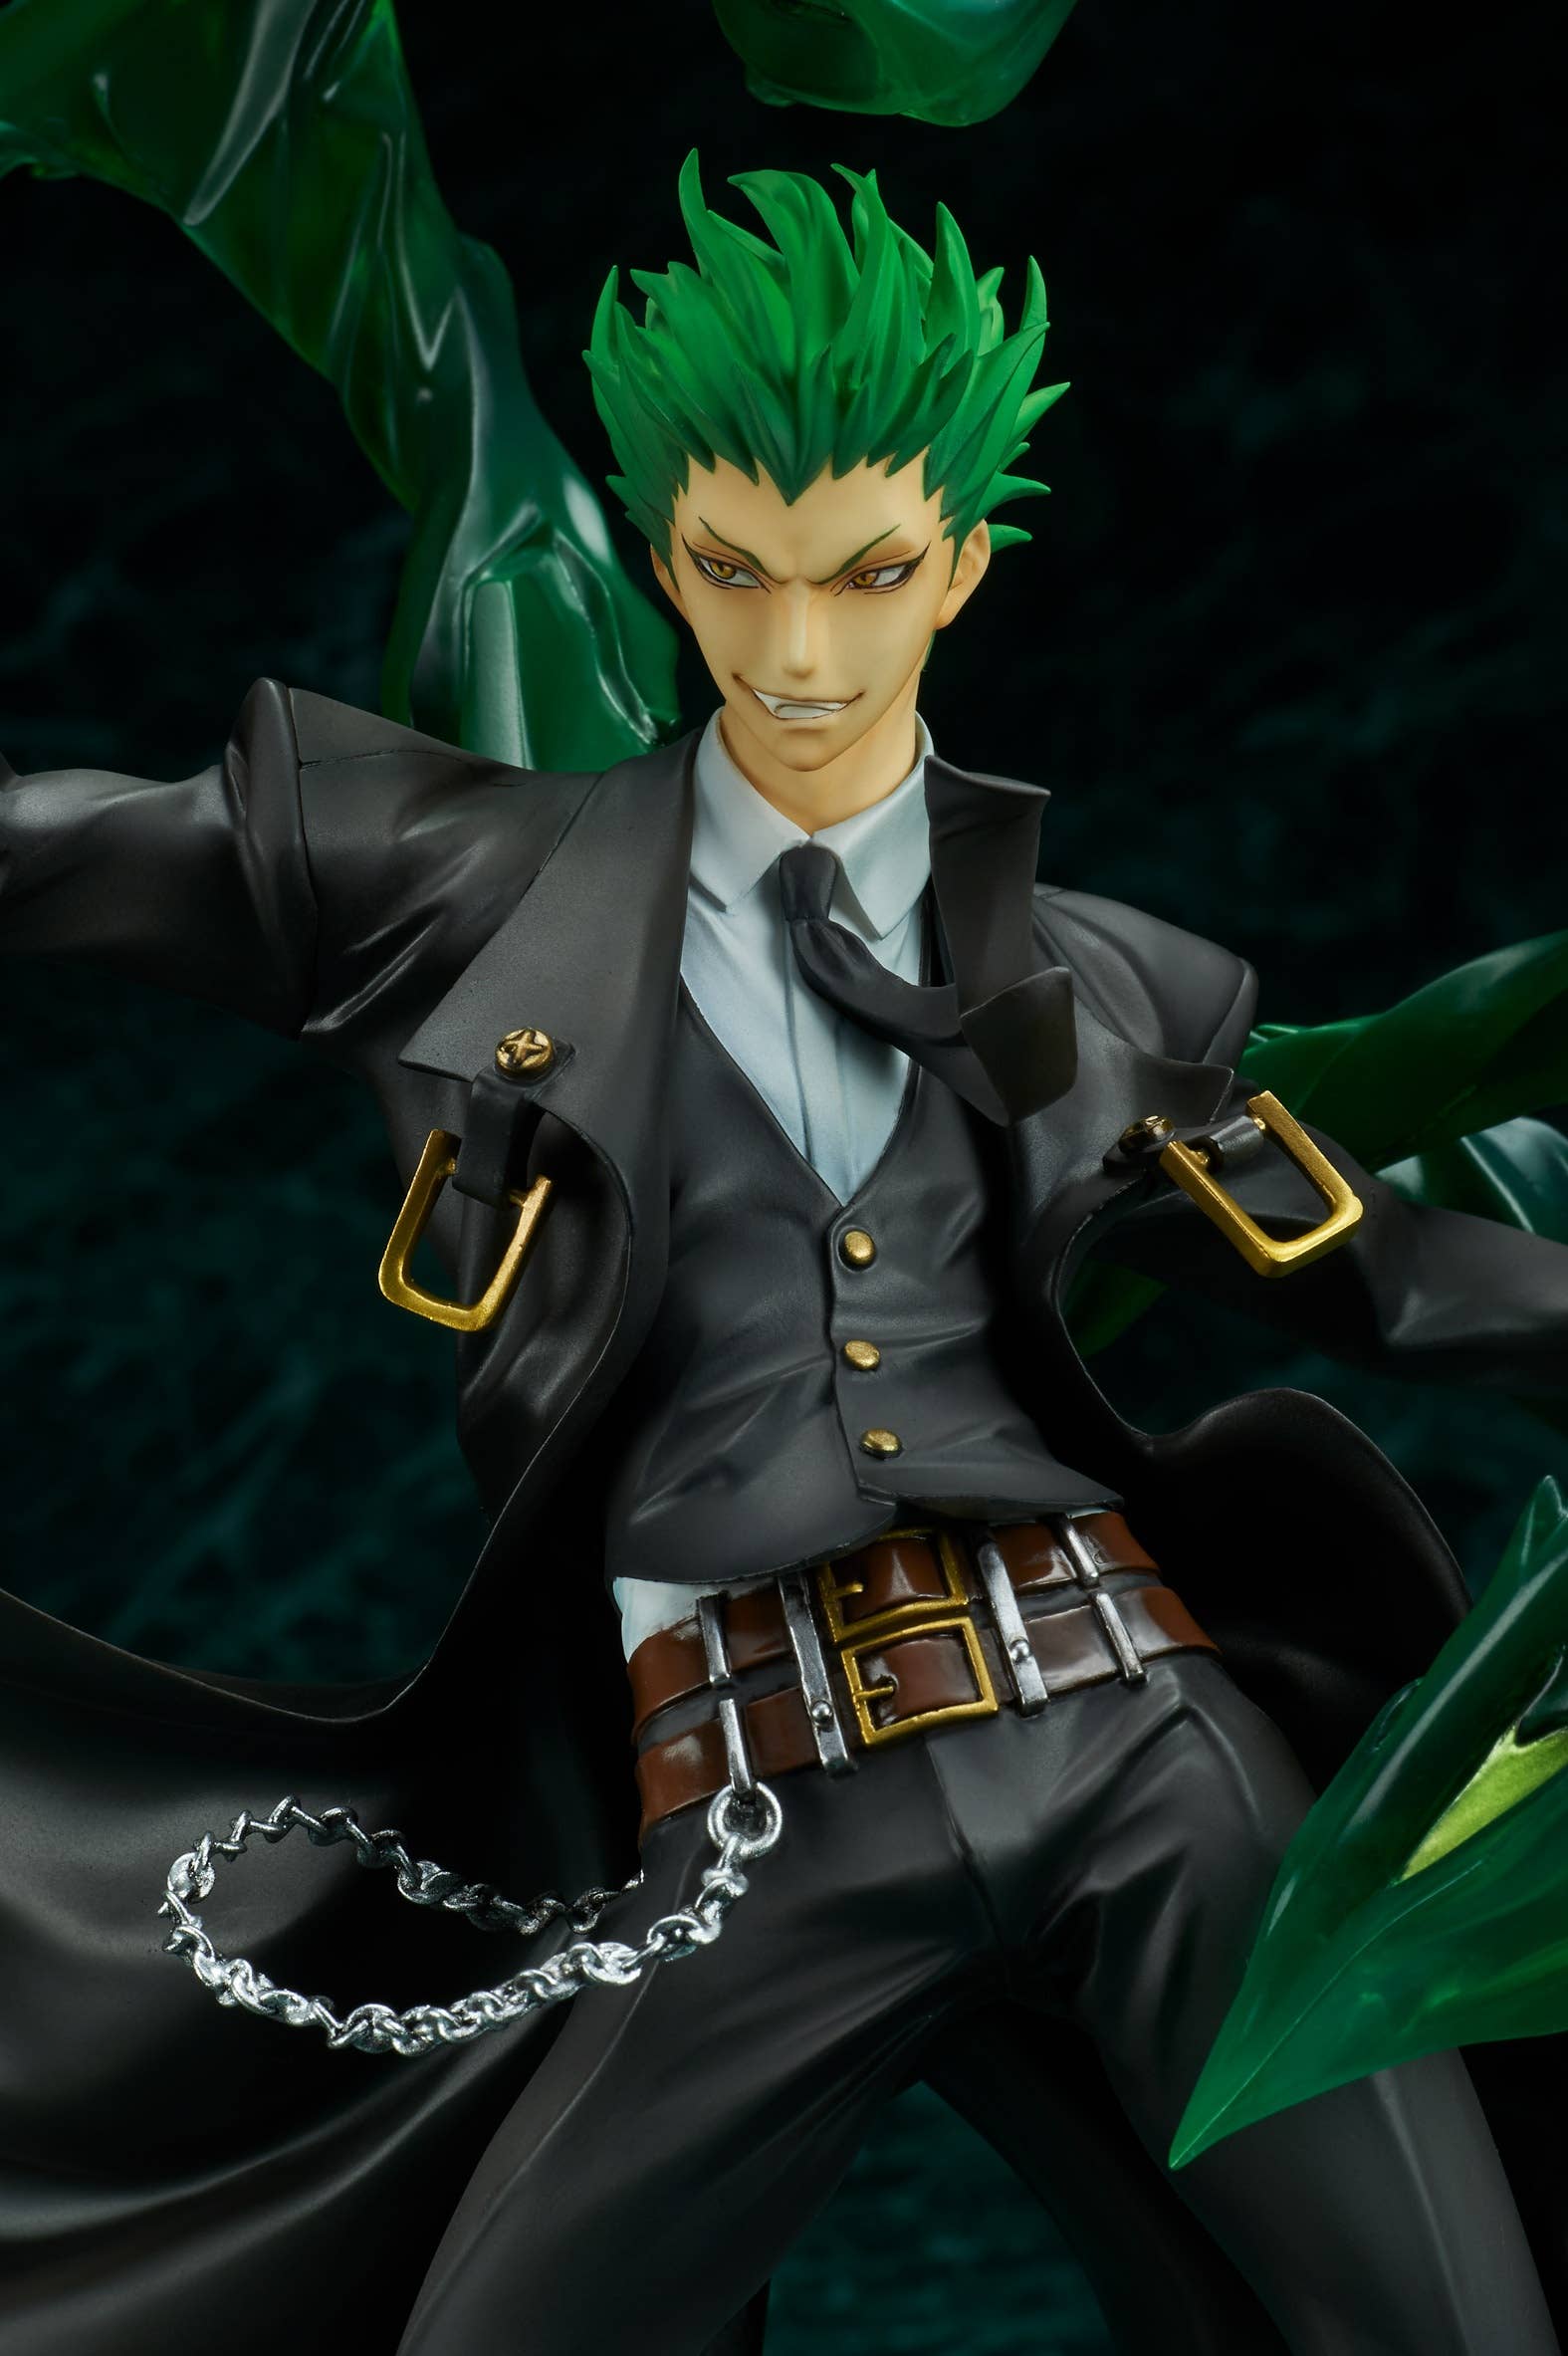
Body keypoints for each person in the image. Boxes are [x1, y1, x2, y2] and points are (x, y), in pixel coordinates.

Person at [1, 157, 1563, 2356]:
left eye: (868, 573)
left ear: (964, 563)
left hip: (1132, 1744)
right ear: (667, 556)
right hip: (754, 1815)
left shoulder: (1098, 985)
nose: (798, 651)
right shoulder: (470, 887)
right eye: (735, 571)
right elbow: (60, 848)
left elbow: (1388, 1278)